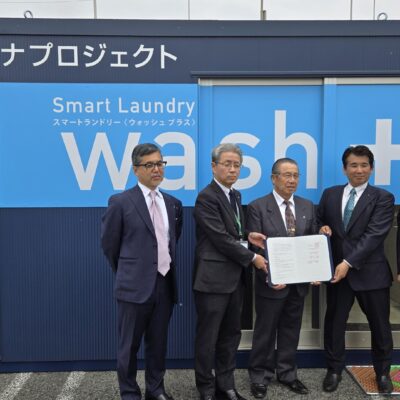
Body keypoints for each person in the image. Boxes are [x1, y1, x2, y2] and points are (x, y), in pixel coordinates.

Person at [101, 143, 183, 400]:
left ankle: (155, 390)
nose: (156, 169)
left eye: (160, 163)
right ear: (136, 169)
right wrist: (129, 272)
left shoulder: (173, 203)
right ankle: (129, 393)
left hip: (164, 283)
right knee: (129, 346)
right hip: (133, 286)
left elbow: (171, 241)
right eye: (149, 165)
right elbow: (110, 245)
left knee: (158, 344)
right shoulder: (120, 202)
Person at [193, 143, 268, 400]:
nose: (233, 169)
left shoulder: (235, 195)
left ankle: (226, 386)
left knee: (231, 335)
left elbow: (232, 232)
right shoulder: (206, 197)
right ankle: (206, 389)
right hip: (212, 279)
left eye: (237, 165)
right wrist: (253, 258)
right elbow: (219, 237)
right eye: (227, 164)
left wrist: (248, 235)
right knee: (208, 337)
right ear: (213, 166)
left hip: (235, 279)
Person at [318, 145, 395, 394]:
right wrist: (321, 228)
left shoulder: (383, 198)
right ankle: (334, 370)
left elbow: (374, 236)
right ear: (345, 169)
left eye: (364, 165)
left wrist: (347, 263)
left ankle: (382, 372)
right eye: (353, 165)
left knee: (380, 326)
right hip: (337, 274)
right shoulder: (330, 194)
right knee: (334, 323)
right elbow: (320, 219)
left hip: (371, 273)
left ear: (371, 168)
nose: (359, 170)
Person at [246, 158, 318, 399]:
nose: (292, 180)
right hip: (271, 282)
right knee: (265, 331)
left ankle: (287, 373)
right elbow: (254, 247)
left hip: (298, 283)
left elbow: (312, 243)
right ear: (273, 178)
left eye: (296, 175)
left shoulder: (307, 206)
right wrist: (268, 274)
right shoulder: (258, 206)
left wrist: (315, 270)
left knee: (291, 329)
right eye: (287, 175)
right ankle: (260, 376)